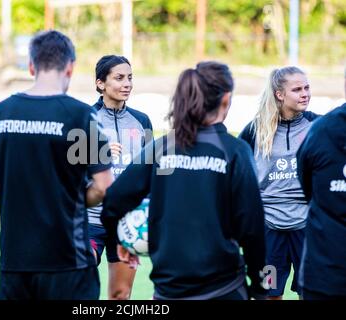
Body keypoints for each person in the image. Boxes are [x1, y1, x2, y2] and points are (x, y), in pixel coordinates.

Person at [101, 61, 267, 300]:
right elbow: (253, 230)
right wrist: (261, 287)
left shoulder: (162, 147)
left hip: (169, 292)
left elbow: (114, 200)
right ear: (226, 99)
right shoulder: (235, 151)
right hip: (224, 289)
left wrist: (121, 239)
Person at [0, 30, 114, 300]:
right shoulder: (80, 115)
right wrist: (65, 199)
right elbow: (103, 186)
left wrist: (29, 196)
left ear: (31, 66)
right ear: (70, 67)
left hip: (16, 261)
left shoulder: (2, 112)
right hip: (68, 260)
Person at [239, 66, 319, 299]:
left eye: (306, 87)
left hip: (307, 227)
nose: (304, 93)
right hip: (267, 230)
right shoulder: (253, 131)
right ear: (279, 94)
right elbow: (240, 177)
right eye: (296, 89)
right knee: (269, 293)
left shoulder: (318, 127)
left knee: (312, 292)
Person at [87, 55, 153, 300]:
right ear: (101, 83)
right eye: (119, 78)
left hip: (127, 223)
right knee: (80, 288)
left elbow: (149, 173)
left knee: (121, 294)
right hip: (90, 220)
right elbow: (68, 172)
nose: (127, 84)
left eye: (130, 78)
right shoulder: (85, 119)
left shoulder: (142, 120)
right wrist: (98, 155)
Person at [296, 70, 346, 300]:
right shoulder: (321, 130)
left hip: (324, 275)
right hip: (326, 275)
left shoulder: (319, 130)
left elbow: (308, 189)